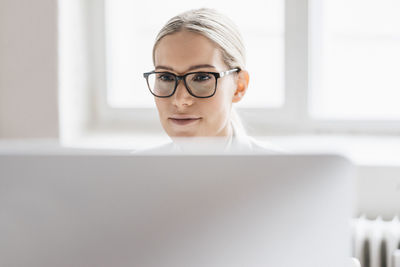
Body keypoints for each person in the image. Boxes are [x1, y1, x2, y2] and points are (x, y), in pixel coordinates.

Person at [138, 8, 283, 154]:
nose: (180, 100)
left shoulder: (282, 170)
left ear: (239, 86)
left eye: (201, 77)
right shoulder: (134, 171)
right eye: (166, 77)